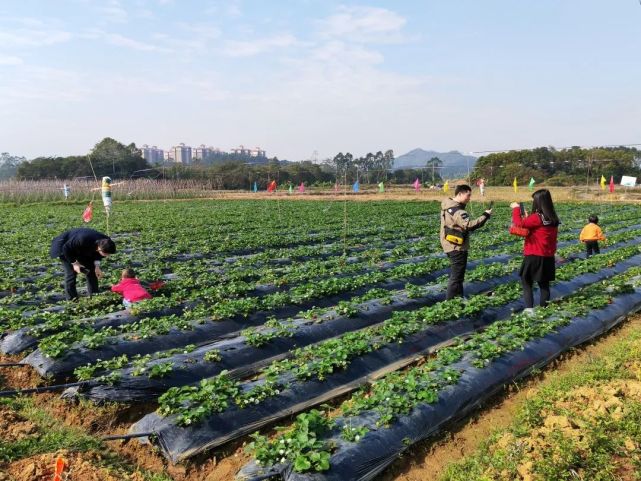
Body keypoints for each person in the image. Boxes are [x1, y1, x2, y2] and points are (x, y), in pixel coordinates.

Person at [511, 189, 560, 313]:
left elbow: (519, 224)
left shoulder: (537, 217)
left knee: (526, 281)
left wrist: (516, 208)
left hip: (533, 255)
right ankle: (544, 310)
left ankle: (529, 310)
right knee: (544, 284)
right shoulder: (552, 218)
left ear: (539, 202)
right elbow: (541, 232)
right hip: (547, 255)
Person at [440, 184, 492, 299]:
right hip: (456, 247)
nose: (469, 198)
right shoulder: (457, 210)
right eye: (468, 195)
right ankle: (451, 301)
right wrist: (485, 215)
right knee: (457, 276)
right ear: (460, 194)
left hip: (449, 243)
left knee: (458, 275)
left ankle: (458, 298)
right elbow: (469, 226)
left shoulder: (447, 205)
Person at [49, 228, 116, 300]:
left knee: (92, 271)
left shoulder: (107, 242)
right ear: (99, 248)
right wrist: (74, 263)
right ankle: (72, 299)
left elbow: (98, 255)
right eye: (106, 254)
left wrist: (97, 266)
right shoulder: (83, 239)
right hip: (64, 247)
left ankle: (94, 296)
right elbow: (66, 248)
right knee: (71, 273)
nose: (107, 255)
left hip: (82, 248)